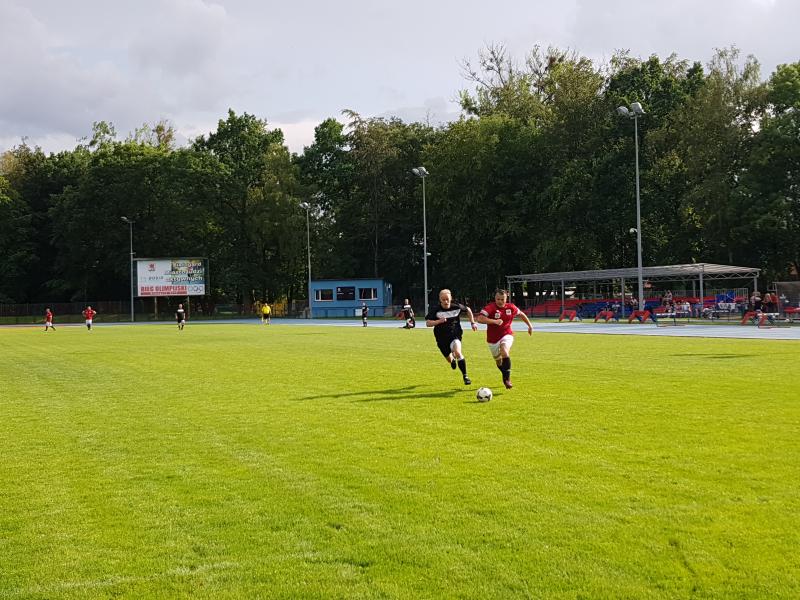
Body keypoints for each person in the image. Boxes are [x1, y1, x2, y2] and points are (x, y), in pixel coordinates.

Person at [476, 289, 533, 390]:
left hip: (507, 334)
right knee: (498, 362)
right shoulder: (490, 307)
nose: (500, 301)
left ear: (506, 299)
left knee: (504, 350)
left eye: (502, 299)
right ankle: (505, 373)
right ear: (495, 298)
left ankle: (507, 380)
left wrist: (530, 326)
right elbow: (479, 319)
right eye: (498, 299)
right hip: (492, 339)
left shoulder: (511, 307)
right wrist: (494, 321)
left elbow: (521, 314)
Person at [425, 289, 478, 385]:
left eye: (447, 299)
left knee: (458, 352)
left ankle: (465, 376)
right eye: (443, 299)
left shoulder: (456, 306)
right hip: (441, 338)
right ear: (440, 300)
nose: (446, 301)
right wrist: (438, 321)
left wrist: (473, 323)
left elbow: (468, 310)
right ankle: (452, 360)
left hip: (455, 334)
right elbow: (428, 323)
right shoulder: (436, 310)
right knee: (449, 359)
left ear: (451, 298)